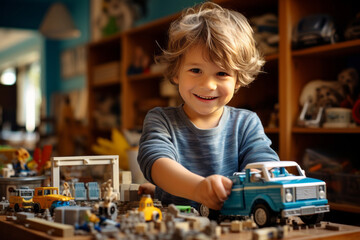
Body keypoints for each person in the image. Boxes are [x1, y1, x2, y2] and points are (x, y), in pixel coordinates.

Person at [137, 2, 279, 211]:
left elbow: (264, 166)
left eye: (222, 73)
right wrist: (198, 189)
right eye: (196, 70)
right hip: (176, 226)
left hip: (234, 224)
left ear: (238, 80)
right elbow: (156, 163)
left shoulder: (247, 123)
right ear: (176, 73)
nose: (208, 85)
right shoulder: (160, 119)